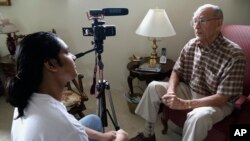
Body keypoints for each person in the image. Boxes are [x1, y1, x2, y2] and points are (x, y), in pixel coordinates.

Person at [130, 4, 246, 141]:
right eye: (194, 21)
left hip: (218, 103)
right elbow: (177, 71)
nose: (196, 26)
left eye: (202, 20)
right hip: (191, 91)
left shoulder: (234, 55)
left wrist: (184, 104)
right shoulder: (192, 44)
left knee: (198, 117)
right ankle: (148, 134)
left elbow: (222, 97)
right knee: (153, 86)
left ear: (219, 23)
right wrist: (171, 91)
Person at [7, 31, 129, 141]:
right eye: (66, 52)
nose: (74, 57)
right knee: (120, 134)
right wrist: (121, 139)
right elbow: (69, 129)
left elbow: (71, 126)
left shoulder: (24, 99)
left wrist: (102, 137)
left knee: (94, 119)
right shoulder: (68, 130)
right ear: (51, 64)